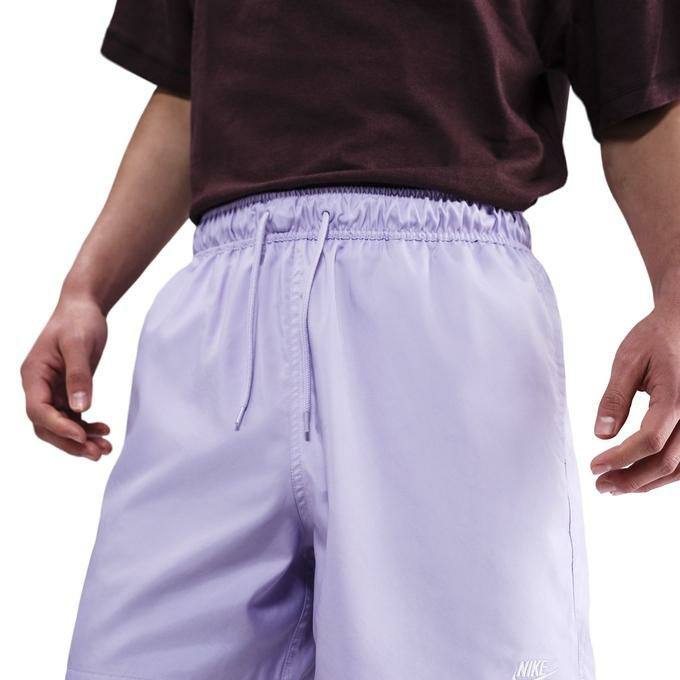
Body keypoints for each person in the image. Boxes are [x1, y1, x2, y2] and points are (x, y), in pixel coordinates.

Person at [19, 1, 680, 678]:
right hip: (219, 310)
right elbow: (192, 87)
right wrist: (86, 289)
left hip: (439, 311)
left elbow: (638, 87)